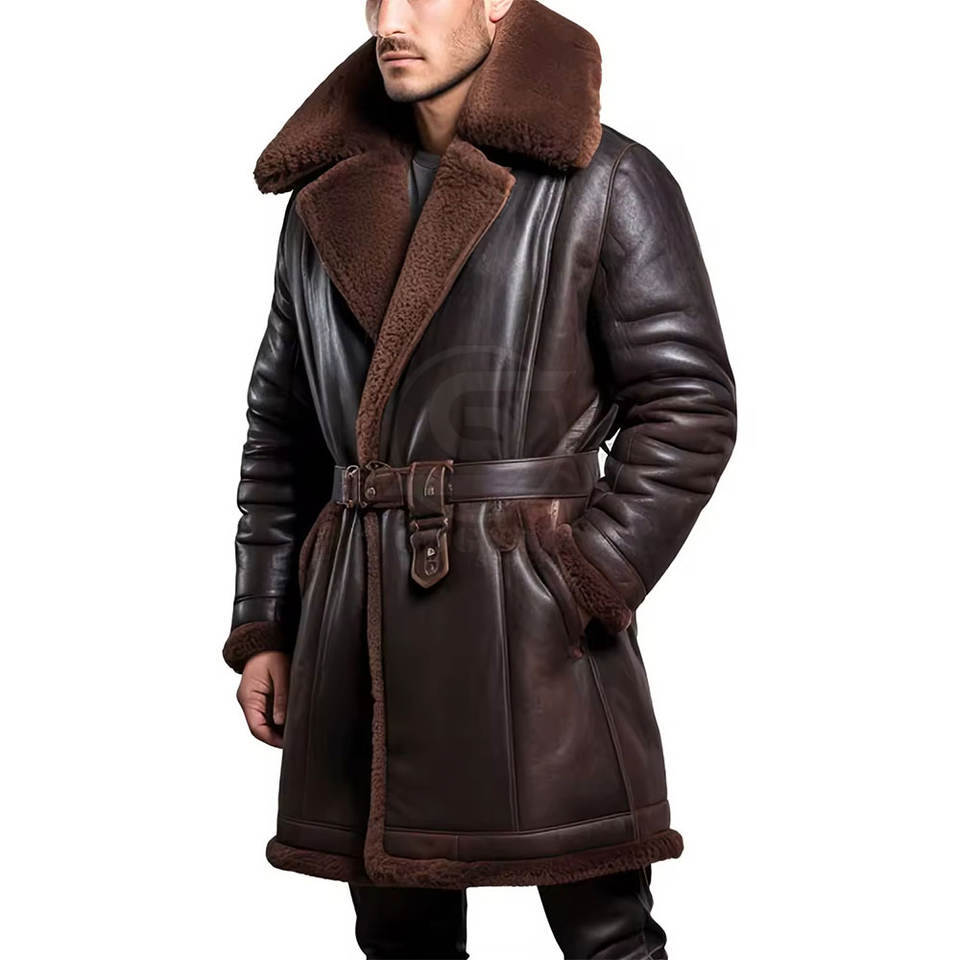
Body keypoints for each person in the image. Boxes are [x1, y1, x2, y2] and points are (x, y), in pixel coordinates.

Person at [222, 0, 737, 956]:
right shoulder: (323, 200)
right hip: (361, 619)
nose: (390, 19)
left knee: (606, 933)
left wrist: (584, 575)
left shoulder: (607, 180)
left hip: (537, 627)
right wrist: (266, 624)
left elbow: (689, 404)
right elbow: (280, 433)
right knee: (399, 935)